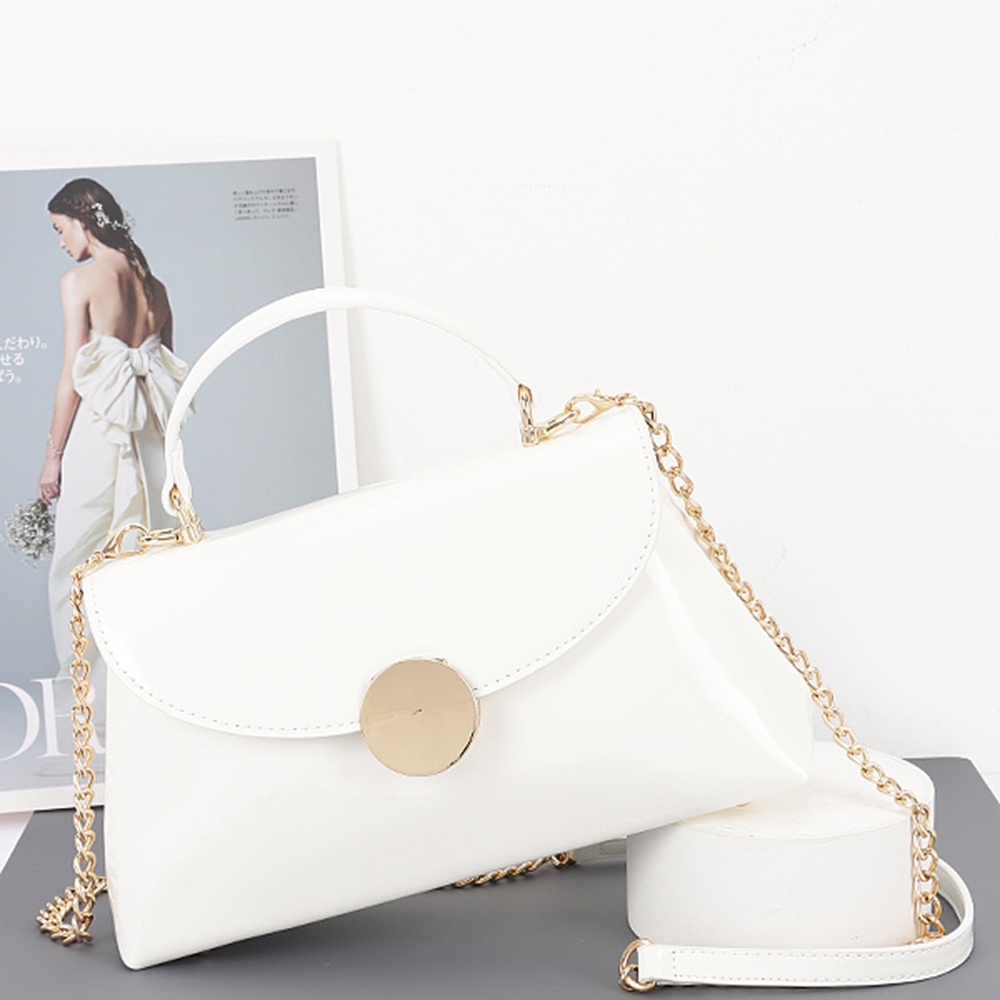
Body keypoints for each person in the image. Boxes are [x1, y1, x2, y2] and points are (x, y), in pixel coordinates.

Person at [39, 178, 190, 682]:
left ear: (83, 221)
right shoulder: (157, 289)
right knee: (145, 557)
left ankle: (85, 692)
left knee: (76, 559)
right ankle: (145, 683)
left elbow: (71, 379)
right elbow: (170, 374)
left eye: (60, 229)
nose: (61, 241)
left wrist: (52, 457)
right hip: (150, 440)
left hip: (100, 435)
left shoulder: (78, 281)